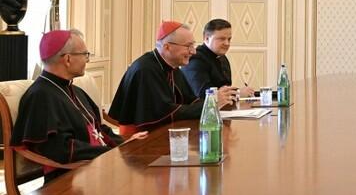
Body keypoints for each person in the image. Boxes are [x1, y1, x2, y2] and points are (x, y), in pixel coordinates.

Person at [11, 30, 147, 182]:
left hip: (97, 169)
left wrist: (126, 143)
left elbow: (98, 129)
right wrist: (108, 153)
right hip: (68, 180)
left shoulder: (75, 90)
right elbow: (59, 149)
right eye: (85, 54)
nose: (87, 60)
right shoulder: (39, 96)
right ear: (68, 59)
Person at [107, 21, 236, 136]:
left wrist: (212, 101)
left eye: (193, 46)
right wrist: (211, 103)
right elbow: (165, 113)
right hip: (140, 138)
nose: (193, 51)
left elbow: (190, 101)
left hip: (164, 133)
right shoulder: (146, 70)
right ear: (167, 47)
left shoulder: (171, 66)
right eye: (188, 46)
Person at [182, 18, 253, 99]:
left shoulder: (222, 57)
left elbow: (225, 88)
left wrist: (239, 92)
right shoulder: (196, 59)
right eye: (222, 39)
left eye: (229, 39)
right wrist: (237, 93)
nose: (227, 43)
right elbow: (203, 94)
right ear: (206, 38)